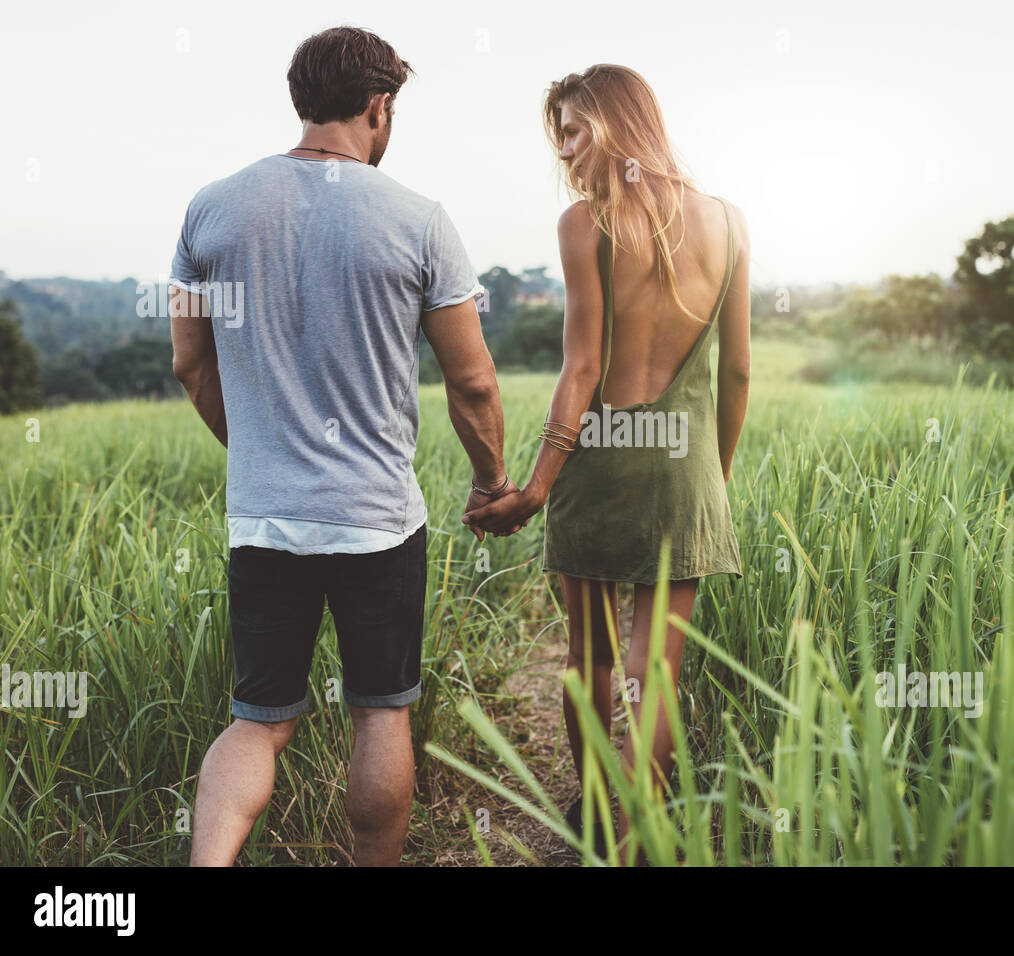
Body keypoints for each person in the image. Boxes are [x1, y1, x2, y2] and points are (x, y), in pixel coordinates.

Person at [169, 25, 520, 866]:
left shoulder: (212, 208)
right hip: (376, 523)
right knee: (380, 710)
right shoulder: (418, 219)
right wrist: (493, 481)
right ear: (379, 105)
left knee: (261, 721)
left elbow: (188, 361)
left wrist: (257, 450)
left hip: (263, 520)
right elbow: (472, 383)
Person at [463, 64, 751, 861]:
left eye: (575, 130)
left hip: (598, 467)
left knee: (590, 658)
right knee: (655, 668)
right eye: (557, 134)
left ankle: (594, 818)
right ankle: (641, 828)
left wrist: (534, 489)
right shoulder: (729, 221)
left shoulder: (584, 226)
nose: (565, 151)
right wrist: (712, 483)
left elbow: (582, 372)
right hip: (684, 470)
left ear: (620, 125)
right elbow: (738, 372)